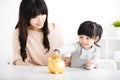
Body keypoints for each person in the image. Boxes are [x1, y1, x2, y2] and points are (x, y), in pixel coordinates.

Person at [12, 0, 64, 66]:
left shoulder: (56, 29)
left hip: (56, 74)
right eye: (34, 16)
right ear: (25, 16)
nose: (40, 20)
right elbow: (18, 61)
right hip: (31, 75)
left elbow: (64, 57)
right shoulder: (19, 33)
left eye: (42, 14)